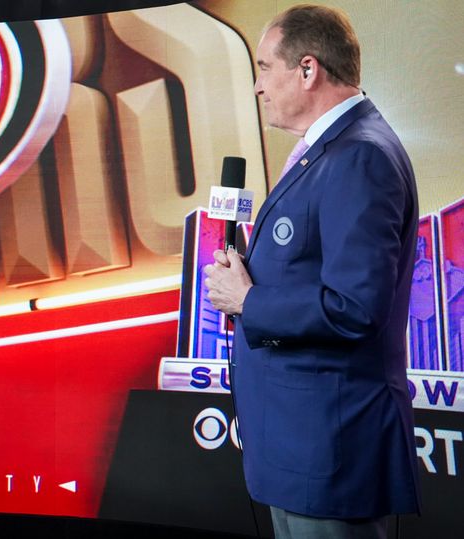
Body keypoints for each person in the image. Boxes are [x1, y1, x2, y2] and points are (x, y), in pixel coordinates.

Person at [204, 5, 420, 538]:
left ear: (307, 70)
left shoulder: (360, 157)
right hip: (300, 447)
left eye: (263, 68)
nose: (258, 86)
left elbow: (355, 308)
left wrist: (248, 300)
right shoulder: (329, 151)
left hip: (330, 451)